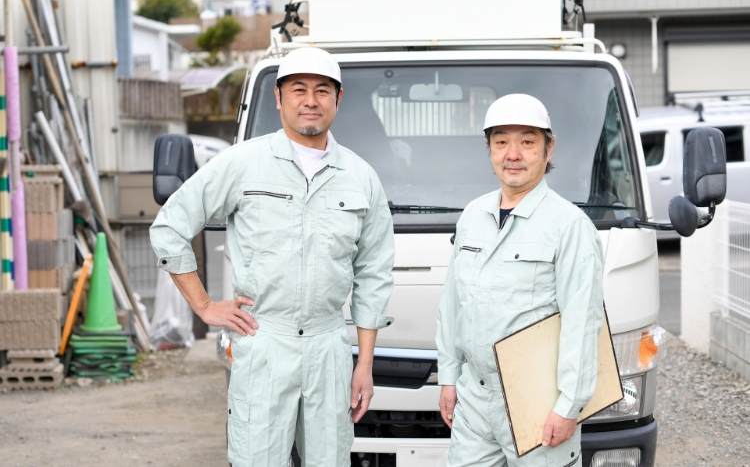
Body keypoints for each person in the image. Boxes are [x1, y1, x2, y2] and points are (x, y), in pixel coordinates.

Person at [150, 47, 395, 466]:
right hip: (264, 341)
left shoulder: (360, 178)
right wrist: (205, 306)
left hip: (329, 346)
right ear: (279, 98)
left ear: (339, 98)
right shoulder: (242, 164)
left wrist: (364, 364)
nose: (311, 100)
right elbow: (169, 227)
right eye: (298, 89)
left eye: (322, 90)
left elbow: (373, 275)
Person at [436, 94, 604, 466]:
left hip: (539, 399)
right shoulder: (473, 216)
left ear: (549, 148)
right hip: (476, 397)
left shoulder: (569, 226)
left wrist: (569, 406)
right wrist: (448, 375)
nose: (513, 154)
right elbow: (453, 305)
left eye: (527, 142)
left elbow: (582, 322)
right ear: (489, 149)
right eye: (501, 142)